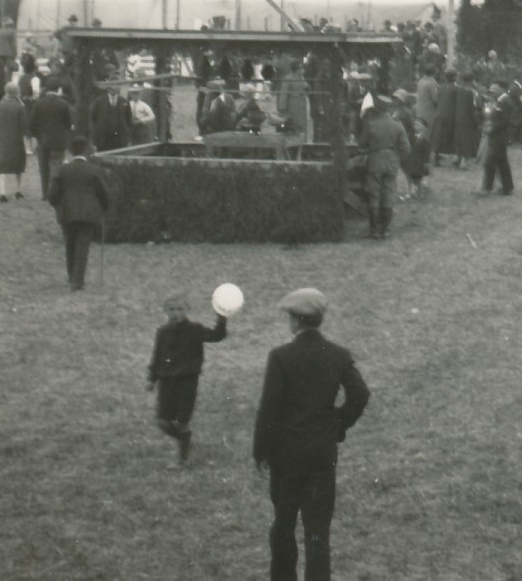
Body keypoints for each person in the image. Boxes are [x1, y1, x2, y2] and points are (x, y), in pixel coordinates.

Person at [253, 288, 371, 581]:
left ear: (295, 321)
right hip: (322, 452)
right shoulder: (338, 355)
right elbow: (360, 394)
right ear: (319, 320)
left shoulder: (280, 356)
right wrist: (337, 425)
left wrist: (261, 451)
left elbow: (269, 409)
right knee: (318, 529)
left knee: (283, 523)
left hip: (286, 455)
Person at [147, 294, 228, 466]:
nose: (176, 313)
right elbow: (157, 356)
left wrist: (222, 318)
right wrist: (152, 378)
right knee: (162, 422)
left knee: (182, 421)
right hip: (166, 382)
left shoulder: (195, 329)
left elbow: (217, 336)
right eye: (171, 309)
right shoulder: (162, 332)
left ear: (187, 310)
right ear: (165, 311)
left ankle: (183, 459)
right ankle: (186, 441)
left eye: (180, 309)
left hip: (187, 382)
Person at [48, 136, 110, 290]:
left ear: (70, 151)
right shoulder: (94, 170)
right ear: (86, 150)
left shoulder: (62, 170)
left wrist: (59, 206)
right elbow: (104, 193)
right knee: (83, 246)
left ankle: (72, 277)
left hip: (67, 213)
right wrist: (104, 207)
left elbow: (52, 195)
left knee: (70, 244)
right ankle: (77, 280)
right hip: (88, 214)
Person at [357, 96, 409, 239]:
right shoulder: (397, 125)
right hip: (392, 162)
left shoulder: (370, 125)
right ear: (388, 108)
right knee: (388, 194)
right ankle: (385, 230)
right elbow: (406, 149)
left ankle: (374, 230)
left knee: (374, 194)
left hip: (375, 161)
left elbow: (361, 143)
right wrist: (396, 158)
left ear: (376, 109)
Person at [28, 80, 74, 199]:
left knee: (43, 168)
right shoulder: (64, 104)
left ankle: (45, 194)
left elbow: (31, 123)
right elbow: (68, 123)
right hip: (58, 141)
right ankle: (54, 193)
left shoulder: (39, 103)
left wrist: (37, 136)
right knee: (56, 166)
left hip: (42, 140)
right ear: (58, 90)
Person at [0, 82, 29, 202]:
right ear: (17, 92)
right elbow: (24, 124)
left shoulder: (0, 105)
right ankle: (18, 190)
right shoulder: (20, 106)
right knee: (18, 164)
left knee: (2, 165)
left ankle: (3, 192)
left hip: (2, 137)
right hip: (16, 138)